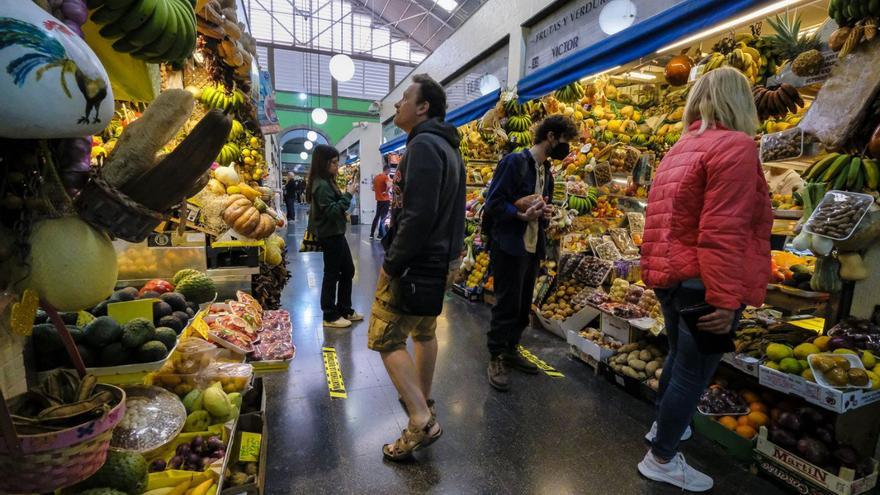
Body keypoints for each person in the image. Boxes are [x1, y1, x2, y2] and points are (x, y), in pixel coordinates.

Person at [638, 67, 772, 492]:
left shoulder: (681, 147)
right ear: (741, 101)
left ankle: (664, 428)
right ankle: (661, 456)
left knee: (679, 359)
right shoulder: (736, 146)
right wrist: (725, 298)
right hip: (703, 282)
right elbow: (723, 230)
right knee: (693, 374)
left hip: (671, 276)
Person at [368, 74, 465, 461]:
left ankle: (420, 420)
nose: (397, 105)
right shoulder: (449, 148)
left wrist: (390, 265)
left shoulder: (423, 146)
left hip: (415, 264)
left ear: (423, 107)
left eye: (405, 98)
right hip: (438, 262)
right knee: (424, 332)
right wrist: (452, 260)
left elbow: (418, 215)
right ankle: (422, 400)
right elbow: (453, 212)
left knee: (384, 336)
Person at [483, 115, 578, 391]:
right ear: (550, 136)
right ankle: (496, 357)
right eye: (564, 141)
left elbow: (538, 207)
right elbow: (494, 204)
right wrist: (520, 215)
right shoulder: (514, 162)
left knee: (523, 306)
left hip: (532, 247)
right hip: (509, 245)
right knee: (506, 304)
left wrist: (545, 214)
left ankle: (511, 349)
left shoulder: (545, 171)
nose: (565, 148)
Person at [306, 145, 362, 329]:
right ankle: (329, 315)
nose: (337, 166)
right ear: (324, 163)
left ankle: (344, 309)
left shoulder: (327, 181)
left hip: (336, 232)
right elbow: (331, 211)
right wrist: (348, 195)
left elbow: (333, 208)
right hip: (330, 235)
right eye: (334, 162)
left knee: (347, 270)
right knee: (332, 274)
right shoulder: (321, 185)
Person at [371, 164, 392, 240]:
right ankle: (381, 235)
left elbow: (373, 188)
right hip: (385, 200)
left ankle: (371, 234)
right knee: (383, 219)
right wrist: (386, 192)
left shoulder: (376, 177)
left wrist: (379, 191)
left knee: (377, 217)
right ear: (387, 170)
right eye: (389, 171)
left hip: (379, 200)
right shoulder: (385, 177)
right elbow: (389, 185)